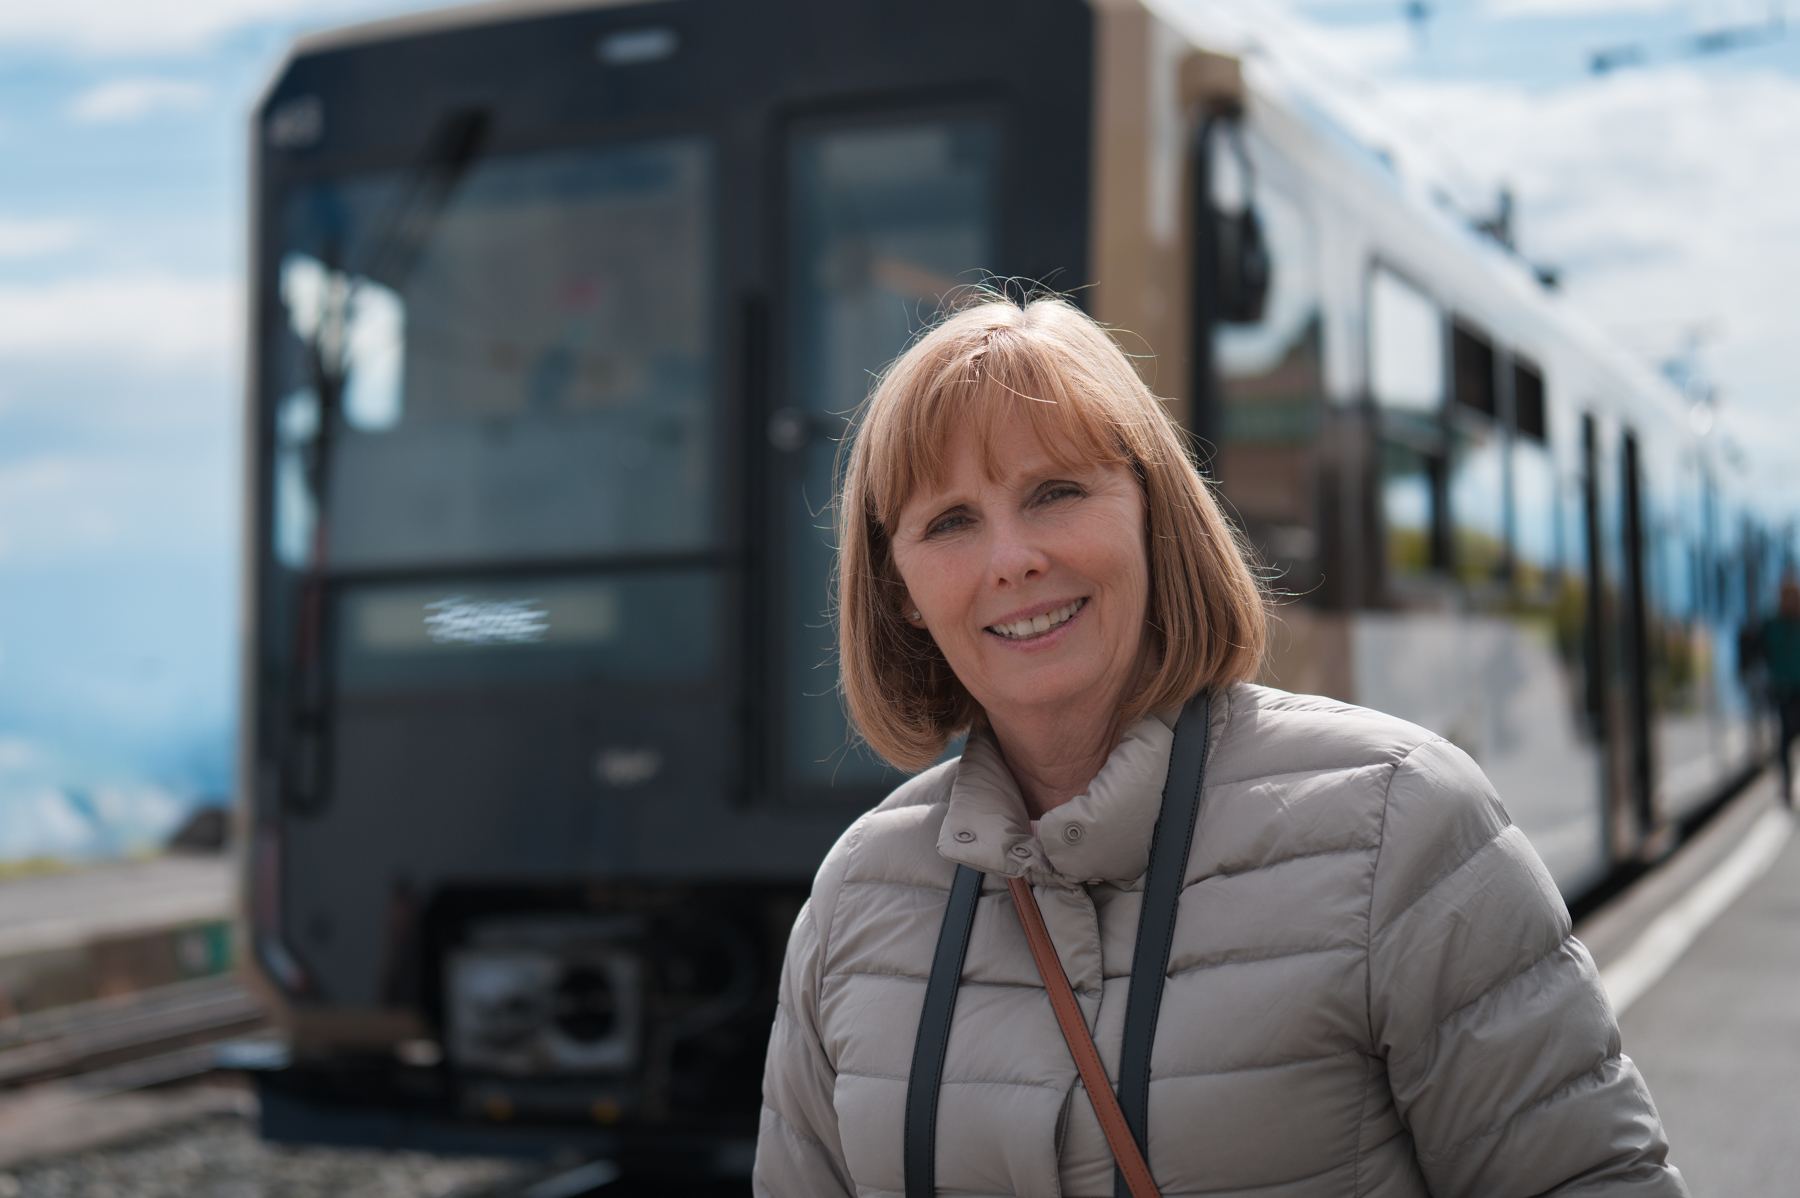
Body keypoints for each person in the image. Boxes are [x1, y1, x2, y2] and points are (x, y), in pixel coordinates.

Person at [753, 294, 1685, 1197]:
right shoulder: (851, 902)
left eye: (1056, 492)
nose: (1011, 558)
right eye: (950, 522)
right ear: (901, 589)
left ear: (1152, 514)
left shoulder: (1399, 825)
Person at [1765, 572, 1800, 805]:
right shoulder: (1771, 624)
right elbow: (1765, 654)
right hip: (1782, 690)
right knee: (1785, 741)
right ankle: (1787, 784)